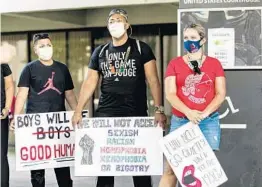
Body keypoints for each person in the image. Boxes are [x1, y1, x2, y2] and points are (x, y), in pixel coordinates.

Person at [71, 8, 166, 187]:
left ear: (127, 25)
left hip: (135, 114)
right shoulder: (100, 52)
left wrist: (159, 109)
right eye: (112, 21)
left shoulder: (141, 48)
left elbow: (154, 81)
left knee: (140, 167)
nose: (115, 23)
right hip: (106, 115)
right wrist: (78, 111)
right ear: (108, 26)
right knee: (105, 167)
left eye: (119, 20)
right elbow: (89, 82)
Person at [159, 23, 226, 187]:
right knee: (171, 169)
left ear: (202, 40)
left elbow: (220, 94)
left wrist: (203, 114)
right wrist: (189, 112)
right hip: (181, 120)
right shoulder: (174, 64)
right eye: (186, 38)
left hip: (208, 121)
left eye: (193, 38)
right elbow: (170, 94)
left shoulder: (214, 64)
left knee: (202, 170)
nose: (189, 41)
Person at [10, 33, 77, 187]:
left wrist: (78, 112)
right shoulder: (29, 69)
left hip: (58, 126)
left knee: (62, 168)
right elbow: (22, 95)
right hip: (36, 126)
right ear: (35, 50)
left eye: (48, 44)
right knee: (37, 172)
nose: (46, 48)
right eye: (42, 46)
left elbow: (70, 94)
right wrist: (16, 116)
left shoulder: (62, 68)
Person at [1, 62, 15, 187]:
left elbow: (10, 86)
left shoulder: (3, 64)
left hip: (0, 116)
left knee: (1, 155)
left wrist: (6, 108)